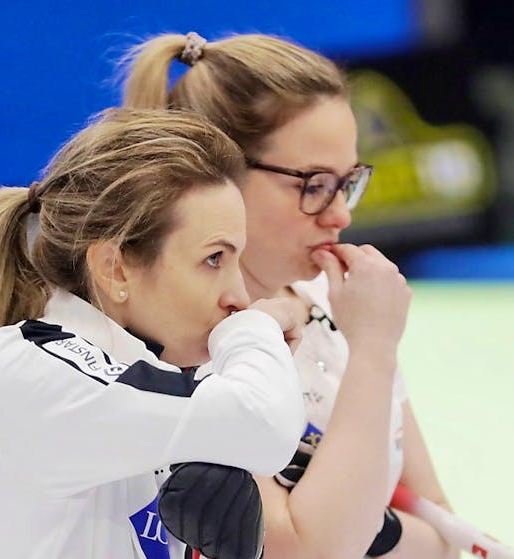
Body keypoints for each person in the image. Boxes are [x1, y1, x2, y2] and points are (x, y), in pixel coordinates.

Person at [122, 33, 457, 559]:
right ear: (216, 172)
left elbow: (440, 543)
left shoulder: (336, 303)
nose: (341, 214)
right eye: (313, 183)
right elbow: (302, 552)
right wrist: (372, 350)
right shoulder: (177, 343)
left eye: (347, 182)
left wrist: (359, 521)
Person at [0, 108, 306, 559]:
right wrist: (255, 331)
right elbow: (263, 423)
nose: (238, 297)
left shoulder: (140, 386)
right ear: (115, 268)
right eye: (213, 260)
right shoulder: (26, 369)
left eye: (236, 261)